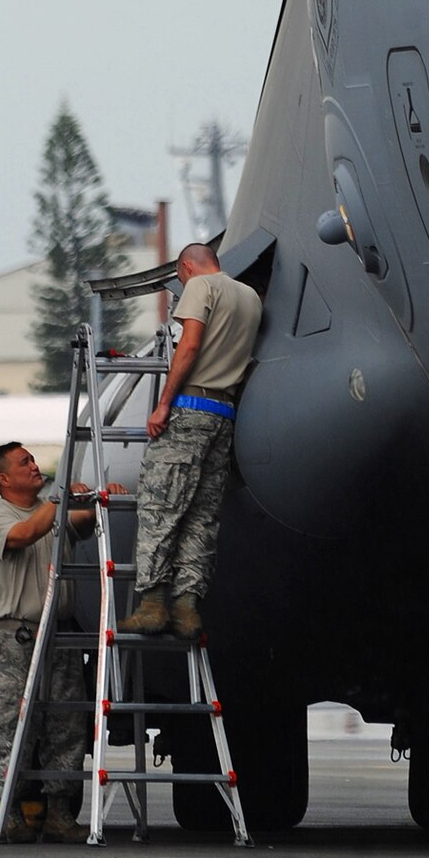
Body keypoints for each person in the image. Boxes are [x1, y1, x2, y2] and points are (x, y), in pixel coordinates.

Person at [0, 440, 124, 844]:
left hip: (57, 636)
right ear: (5, 479)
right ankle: (7, 812)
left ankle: (60, 813)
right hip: (16, 637)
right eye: (24, 463)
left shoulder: (51, 512)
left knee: (67, 723)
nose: (34, 466)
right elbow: (26, 534)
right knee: (13, 725)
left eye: (32, 459)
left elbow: (75, 521)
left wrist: (99, 499)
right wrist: (61, 500)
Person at [121, 243, 262, 640]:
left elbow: (191, 344)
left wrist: (164, 403)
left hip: (190, 408)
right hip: (224, 415)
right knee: (202, 515)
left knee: (160, 506)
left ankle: (152, 606)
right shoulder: (249, 296)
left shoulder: (201, 287)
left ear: (186, 267)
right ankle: (187, 608)